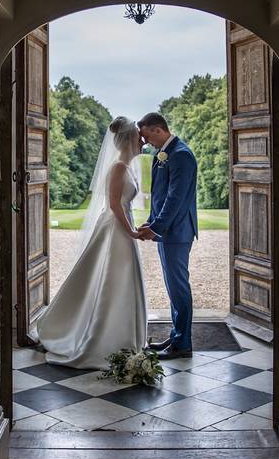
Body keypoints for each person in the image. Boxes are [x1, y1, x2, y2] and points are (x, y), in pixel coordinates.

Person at [32, 116, 148, 369]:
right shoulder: (118, 167)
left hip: (123, 228)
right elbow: (115, 204)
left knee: (121, 280)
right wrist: (131, 231)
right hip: (115, 229)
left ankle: (125, 338)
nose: (143, 141)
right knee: (111, 279)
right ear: (129, 139)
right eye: (139, 137)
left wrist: (133, 229)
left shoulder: (126, 167)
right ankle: (100, 338)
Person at [136, 112, 198, 360]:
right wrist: (151, 222)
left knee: (179, 287)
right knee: (173, 287)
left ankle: (183, 344)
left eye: (147, 135)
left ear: (159, 129)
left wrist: (156, 227)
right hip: (167, 231)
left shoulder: (181, 154)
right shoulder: (162, 154)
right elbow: (159, 195)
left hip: (177, 232)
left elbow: (175, 199)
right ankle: (176, 337)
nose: (146, 142)